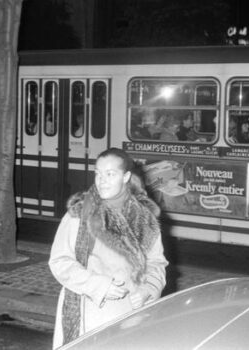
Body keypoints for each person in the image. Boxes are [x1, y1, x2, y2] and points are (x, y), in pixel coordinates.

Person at [49, 148, 167, 348]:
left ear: (126, 176)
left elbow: (156, 263)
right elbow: (59, 262)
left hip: (131, 313)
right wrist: (100, 286)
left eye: (110, 174)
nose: (102, 180)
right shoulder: (79, 214)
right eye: (98, 173)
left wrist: (148, 290)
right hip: (89, 313)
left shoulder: (144, 217)